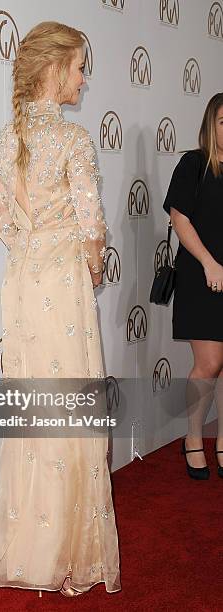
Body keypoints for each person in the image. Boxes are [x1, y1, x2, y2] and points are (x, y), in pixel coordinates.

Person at [0, 22, 121, 597]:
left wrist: (35, 251)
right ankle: (70, 560)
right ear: (53, 69)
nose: (84, 79)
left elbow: (1, 225)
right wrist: (89, 266)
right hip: (61, 284)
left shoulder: (2, 140)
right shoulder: (72, 141)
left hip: (22, 284)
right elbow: (92, 231)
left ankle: (32, 552)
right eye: (80, 67)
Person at [163, 92, 223, 480]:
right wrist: (209, 262)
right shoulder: (194, 164)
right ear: (210, 125)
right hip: (204, 276)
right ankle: (192, 437)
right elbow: (179, 219)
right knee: (209, 363)